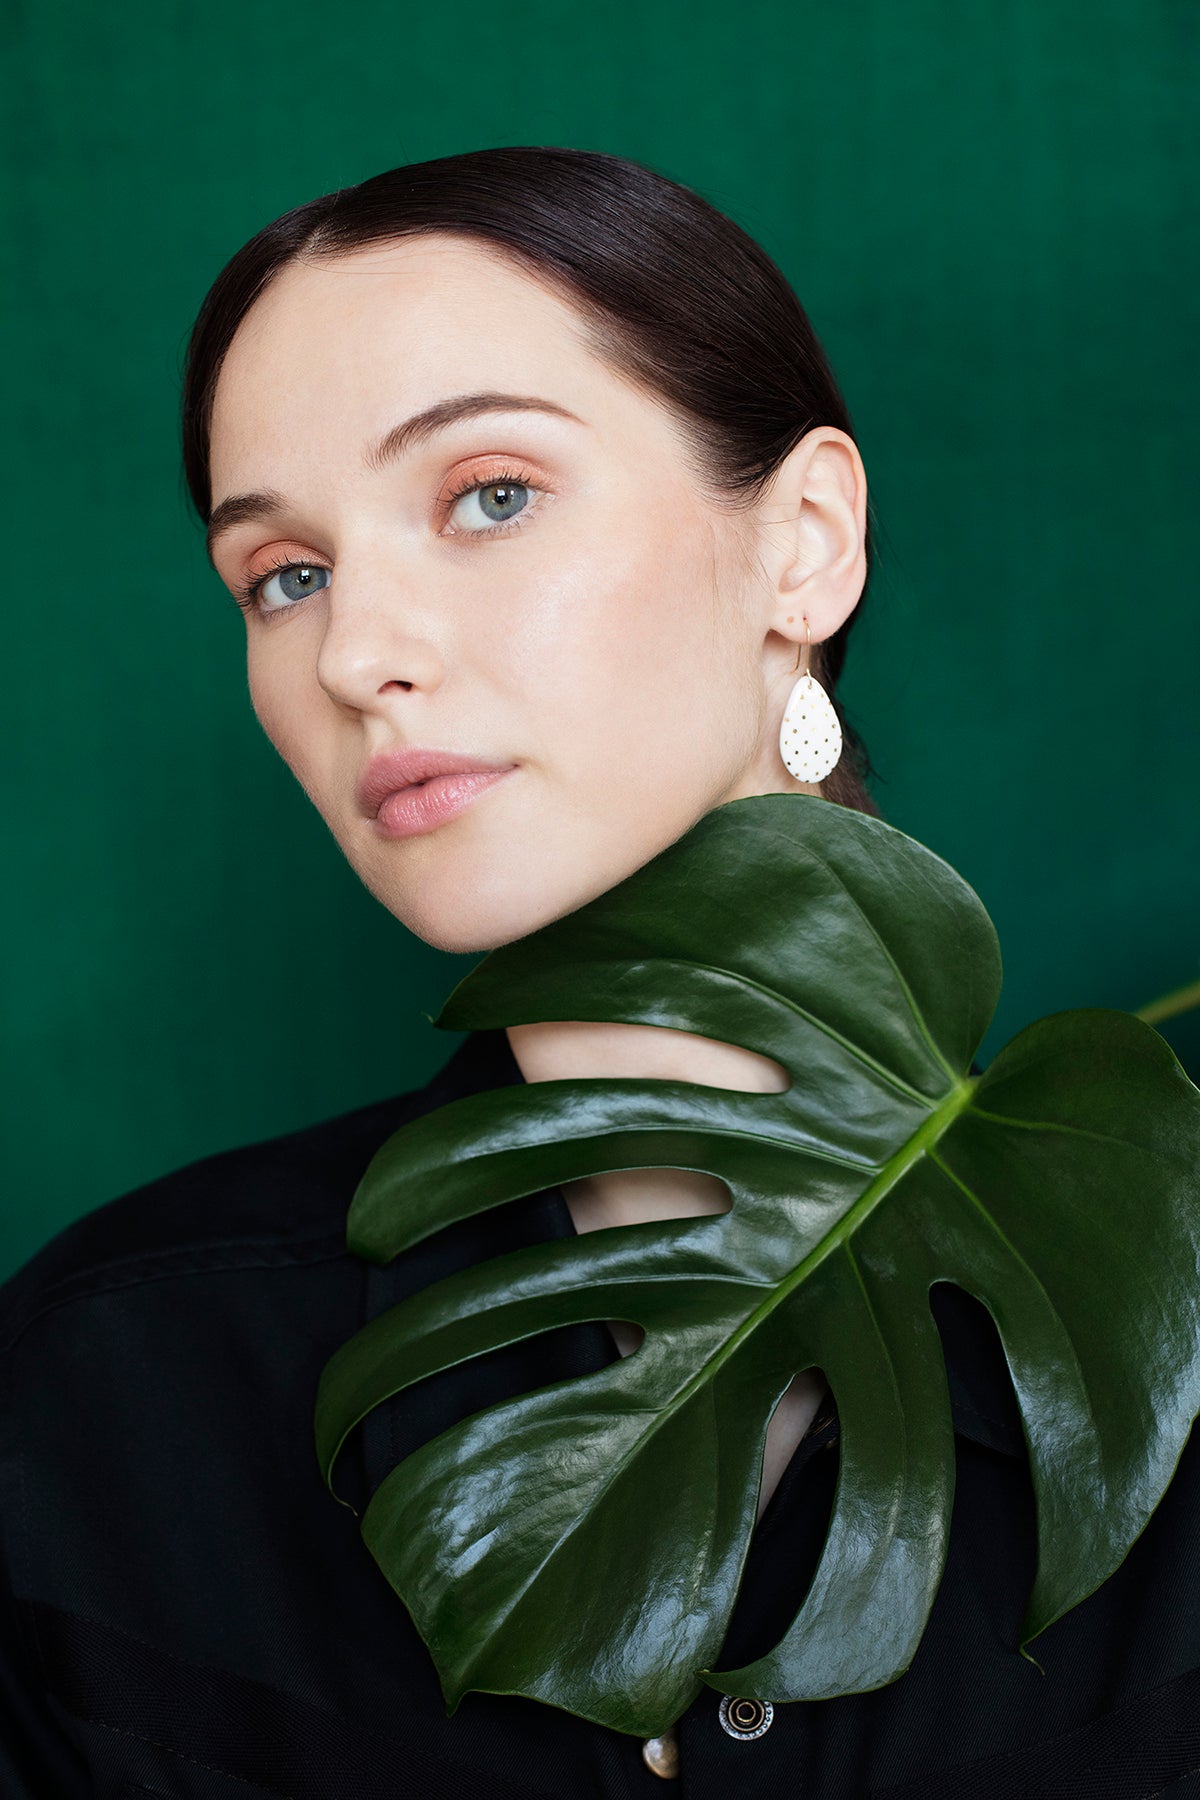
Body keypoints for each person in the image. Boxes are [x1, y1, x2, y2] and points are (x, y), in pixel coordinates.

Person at [2, 146, 1198, 1798]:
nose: (355, 655)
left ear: (805, 544)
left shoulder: (1170, 1335)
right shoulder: (114, 1402)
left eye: (490, 494)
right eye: (285, 576)